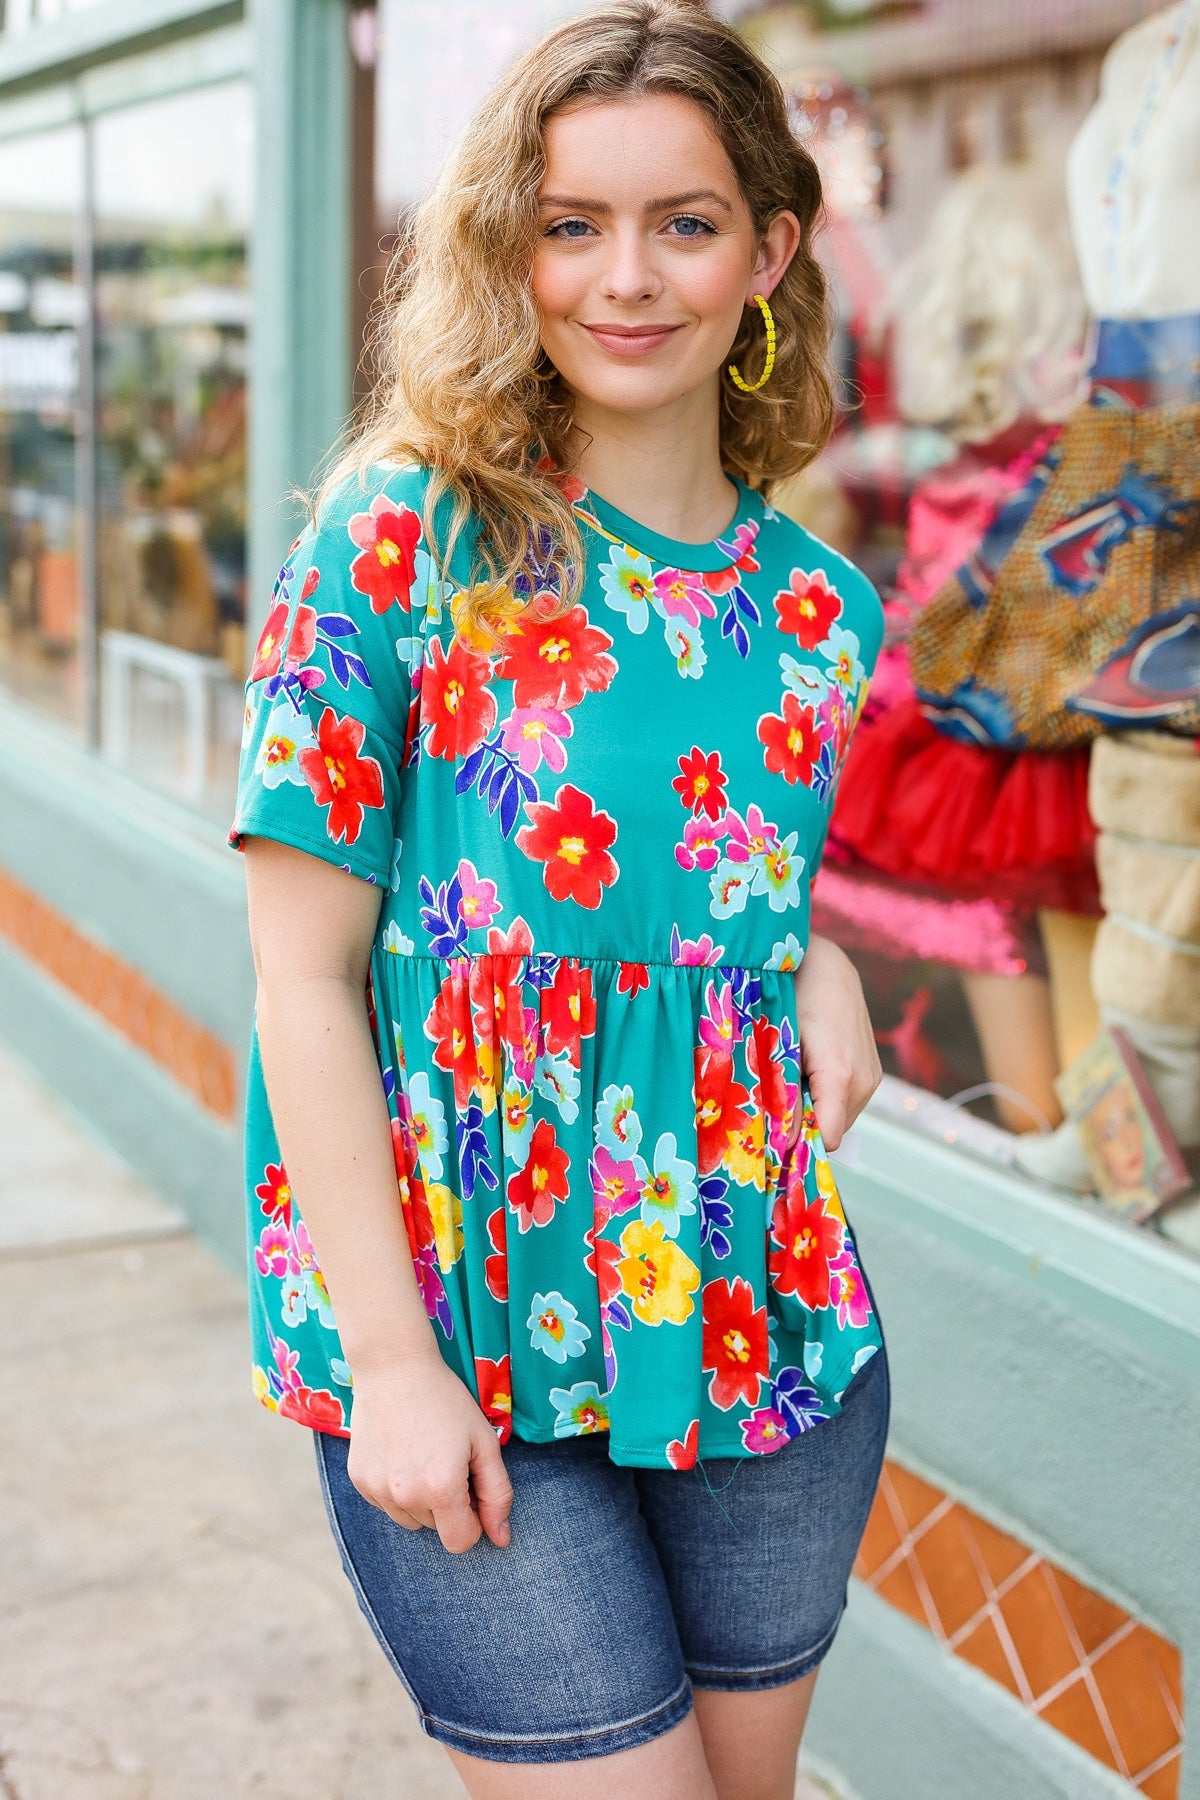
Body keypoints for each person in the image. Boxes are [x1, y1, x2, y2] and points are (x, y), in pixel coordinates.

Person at [230, 5, 890, 1795]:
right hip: (458, 1328)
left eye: (686, 223)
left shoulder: (821, 614)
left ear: (770, 251)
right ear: (505, 249)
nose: (628, 278)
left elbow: (702, 899)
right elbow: (304, 979)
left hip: (757, 1328)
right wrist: (389, 1364)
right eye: (570, 224)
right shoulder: (402, 535)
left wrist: (812, 953)